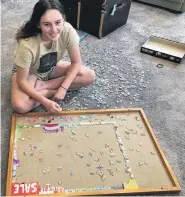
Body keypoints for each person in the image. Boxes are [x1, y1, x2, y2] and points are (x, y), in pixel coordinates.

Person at [11, 0, 96, 114]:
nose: (54, 30)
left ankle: (44, 86)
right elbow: (21, 81)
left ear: (63, 19)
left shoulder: (67, 30)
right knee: (20, 106)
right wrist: (45, 101)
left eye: (58, 22)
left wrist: (63, 88)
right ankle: (47, 91)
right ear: (38, 24)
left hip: (51, 67)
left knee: (89, 75)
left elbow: (76, 62)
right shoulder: (26, 44)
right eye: (47, 24)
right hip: (29, 74)